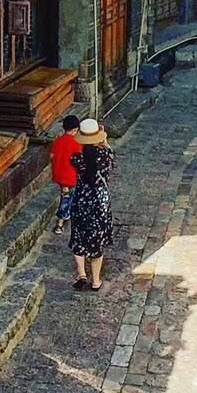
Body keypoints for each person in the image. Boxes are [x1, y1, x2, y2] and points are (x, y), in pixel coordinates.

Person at [69, 119, 115, 291]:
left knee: (78, 236)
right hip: (99, 202)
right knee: (97, 241)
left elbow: (78, 161)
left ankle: (81, 274)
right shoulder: (106, 156)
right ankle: (96, 280)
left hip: (81, 200)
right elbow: (110, 155)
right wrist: (105, 143)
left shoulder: (77, 158)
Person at [50, 114, 82, 235]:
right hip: (71, 177)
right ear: (75, 130)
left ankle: (66, 214)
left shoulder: (58, 141)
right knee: (67, 198)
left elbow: (52, 156)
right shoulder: (76, 143)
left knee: (65, 195)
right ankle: (60, 223)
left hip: (59, 175)